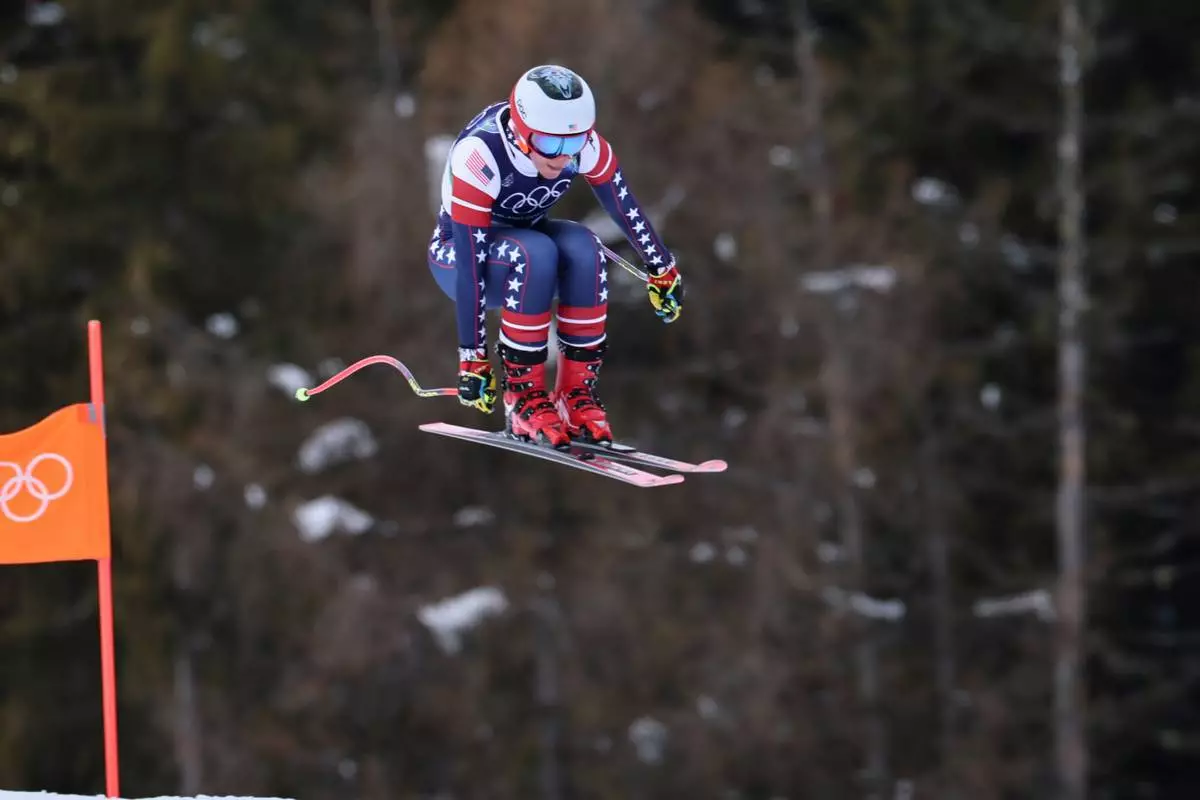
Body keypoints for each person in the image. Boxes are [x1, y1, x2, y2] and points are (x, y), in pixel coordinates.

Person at [428, 64, 684, 450]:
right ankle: (523, 399)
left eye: (574, 143)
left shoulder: (581, 147)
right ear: (521, 130)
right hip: (459, 259)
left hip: (526, 245)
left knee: (585, 246)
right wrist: (472, 358)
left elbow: (624, 207)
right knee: (534, 253)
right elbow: (469, 265)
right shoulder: (481, 154)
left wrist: (662, 270)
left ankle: (575, 397)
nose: (563, 158)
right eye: (551, 145)